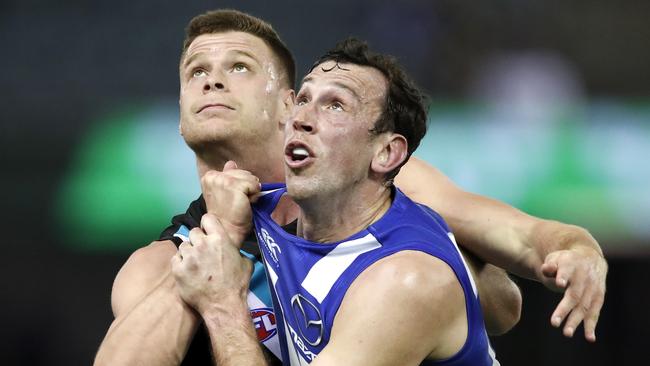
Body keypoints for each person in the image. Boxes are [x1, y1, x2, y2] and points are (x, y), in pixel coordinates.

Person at [93, 9, 606, 366]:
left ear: (286, 105)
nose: (212, 81)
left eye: (239, 68)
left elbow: (507, 294)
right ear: (179, 118)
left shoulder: (389, 192)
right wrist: (221, 237)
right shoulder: (167, 261)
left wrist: (575, 247)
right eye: (196, 71)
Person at [173, 38, 501, 365]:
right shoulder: (258, 210)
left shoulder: (404, 278)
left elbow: (508, 300)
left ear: (386, 153)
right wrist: (225, 227)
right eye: (303, 98)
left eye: (335, 105)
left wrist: (222, 303)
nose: (301, 117)